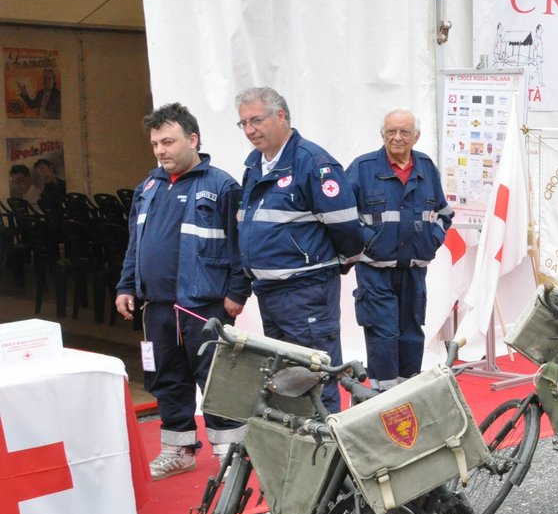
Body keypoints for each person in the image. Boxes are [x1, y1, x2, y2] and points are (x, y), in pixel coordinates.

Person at [115, 104, 250, 478]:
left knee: (216, 379)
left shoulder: (222, 187)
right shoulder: (148, 188)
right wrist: (126, 285)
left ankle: (231, 453)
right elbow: (135, 245)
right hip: (157, 308)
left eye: (169, 141)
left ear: (193, 139)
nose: (161, 150)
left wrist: (237, 293)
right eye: (156, 143)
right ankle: (179, 451)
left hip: (202, 307)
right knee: (166, 379)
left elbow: (242, 246)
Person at [235, 86, 370, 414]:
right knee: (285, 380)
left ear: (280, 116)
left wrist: (328, 262)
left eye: (256, 120)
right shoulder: (256, 165)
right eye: (243, 123)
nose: (250, 130)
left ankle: (329, 459)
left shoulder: (312, 162)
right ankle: (297, 456)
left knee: (316, 378)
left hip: (305, 292)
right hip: (269, 293)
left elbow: (347, 228)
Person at [348, 109, 453, 390]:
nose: (397, 137)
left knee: (411, 333)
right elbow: (344, 216)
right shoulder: (363, 168)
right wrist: (367, 243)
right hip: (375, 271)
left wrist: (432, 241)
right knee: (382, 334)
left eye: (404, 132)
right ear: (382, 134)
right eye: (391, 131)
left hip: (414, 271)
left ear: (416, 136)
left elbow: (444, 213)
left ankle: (407, 393)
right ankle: (382, 396)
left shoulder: (426, 168)